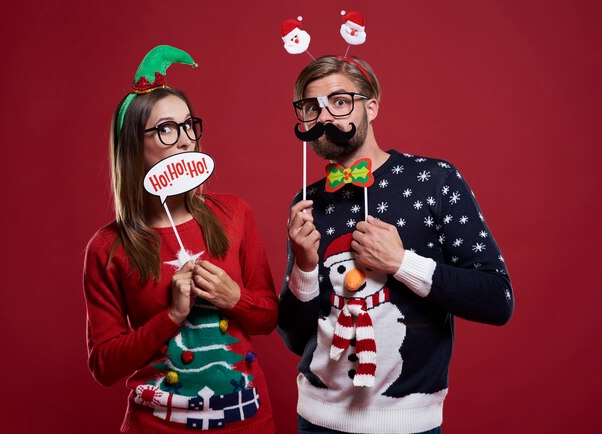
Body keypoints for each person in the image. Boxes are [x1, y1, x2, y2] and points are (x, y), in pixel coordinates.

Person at [277, 55, 514, 434]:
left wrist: (401, 263)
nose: (325, 118)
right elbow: (294, 338)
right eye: (311, 107)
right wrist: (305, 267)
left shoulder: (435, 181)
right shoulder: (306, 203)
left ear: (371, 106)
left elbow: (497, 299)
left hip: (409, 423)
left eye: (339, 102)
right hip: (316, 420)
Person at [83, 46, 278, 433]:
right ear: (133, 146)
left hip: (246, 419)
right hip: (157, 423)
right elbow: (104, 367)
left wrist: (234, 297)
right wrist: (171, 316)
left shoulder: (234, 213)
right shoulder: (107, 249)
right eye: (167, 129)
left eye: (189, 125)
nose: (186, 140)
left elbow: (270, 317)